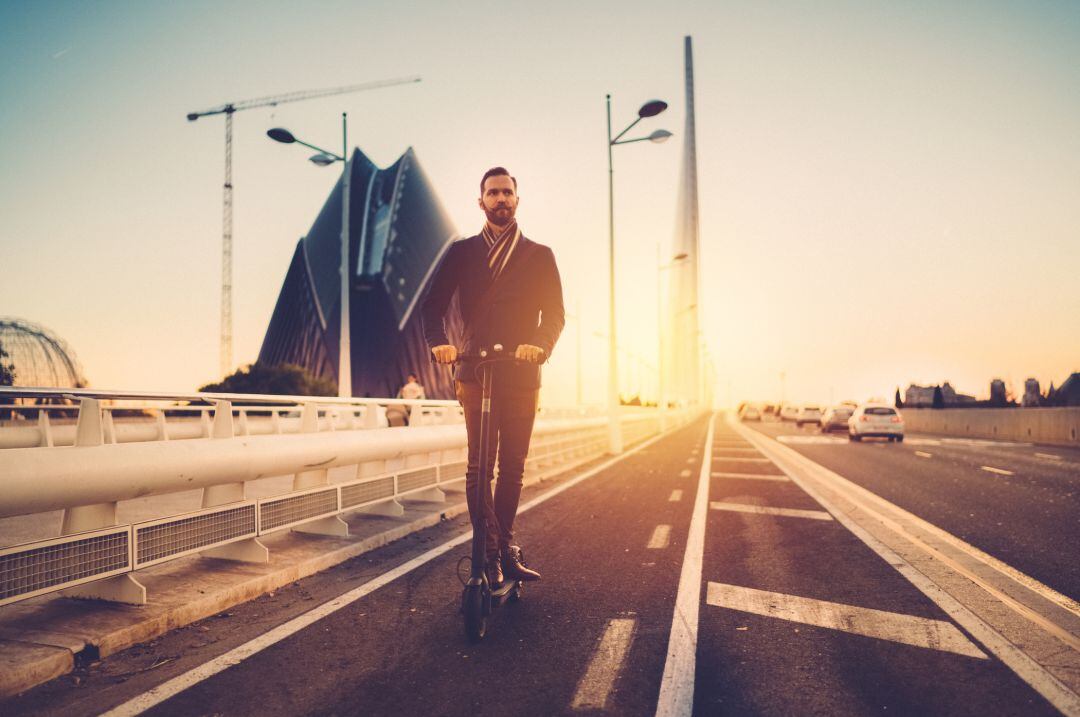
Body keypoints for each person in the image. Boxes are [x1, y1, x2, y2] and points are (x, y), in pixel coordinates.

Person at [421, 166, 564, 586]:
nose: (500, 199)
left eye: (507, 193)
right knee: (479, 466)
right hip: (474, 370)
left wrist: (540, 345)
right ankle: (491, 552)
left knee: (514, 467)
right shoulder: (461, 252)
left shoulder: (540, 255)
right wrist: (439, 343)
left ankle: (500, 548)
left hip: (522, 373)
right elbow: (432, 308)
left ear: (517, 199)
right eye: (492, 193)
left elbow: (554, 314)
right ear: (480, 201)